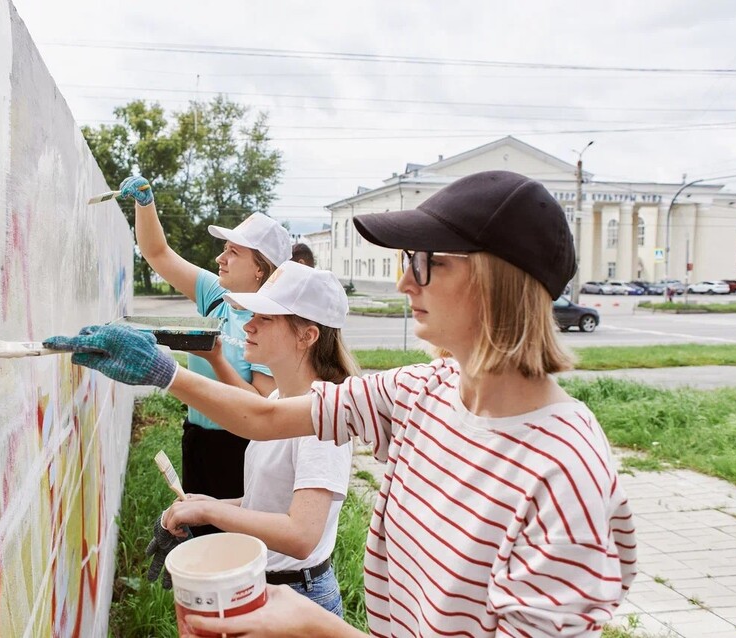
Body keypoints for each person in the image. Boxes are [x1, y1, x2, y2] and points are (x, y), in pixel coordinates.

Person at [47, 170, 638, 637]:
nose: (406, 283)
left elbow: (298, 525)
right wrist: (163, 371)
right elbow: (264, 416)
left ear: (496, 279)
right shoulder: (421, 391)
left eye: (424, 262)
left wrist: (317, 627)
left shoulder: (564, 471)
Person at [162, 261, 358, 615]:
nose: (248, 325)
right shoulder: (278, 400)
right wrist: (211, 504)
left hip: (300, 597)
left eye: (265, 318)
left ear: (307, 336)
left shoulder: (322, 421)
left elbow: (301, 535)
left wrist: (211, 511)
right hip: (268, 586)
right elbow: (271, 500)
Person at [118, 175, 292, 534]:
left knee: (232, 543)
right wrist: (145, 203)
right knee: (196, 532)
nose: (220, 257)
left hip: (238, 446)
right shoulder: (215, 294)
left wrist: (217, 361)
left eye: (233, 252)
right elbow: (157, 253)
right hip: (196, 435)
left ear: (260, 268)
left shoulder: (268, 321)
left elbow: (262, 404)